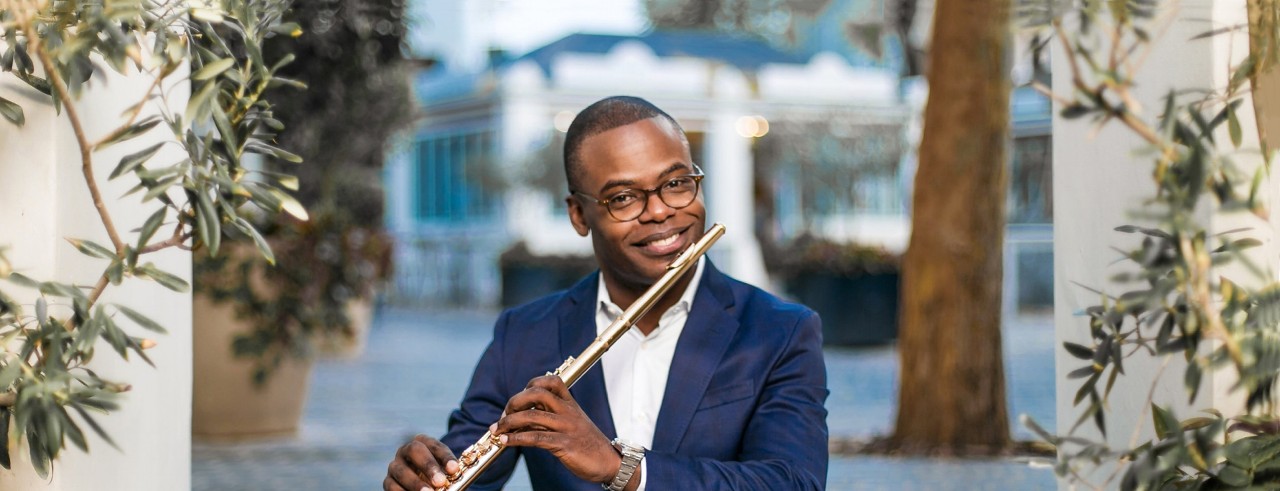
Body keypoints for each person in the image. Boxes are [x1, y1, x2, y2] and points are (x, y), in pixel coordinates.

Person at [384, 96, 828, 491]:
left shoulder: (780, 331)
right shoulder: (524, 334)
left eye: (676, 184)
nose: (659, 212)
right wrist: (427, 474)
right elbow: (469, 472)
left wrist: (624, 469)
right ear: (579, 215)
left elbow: (792, 481)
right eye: (623, 198)